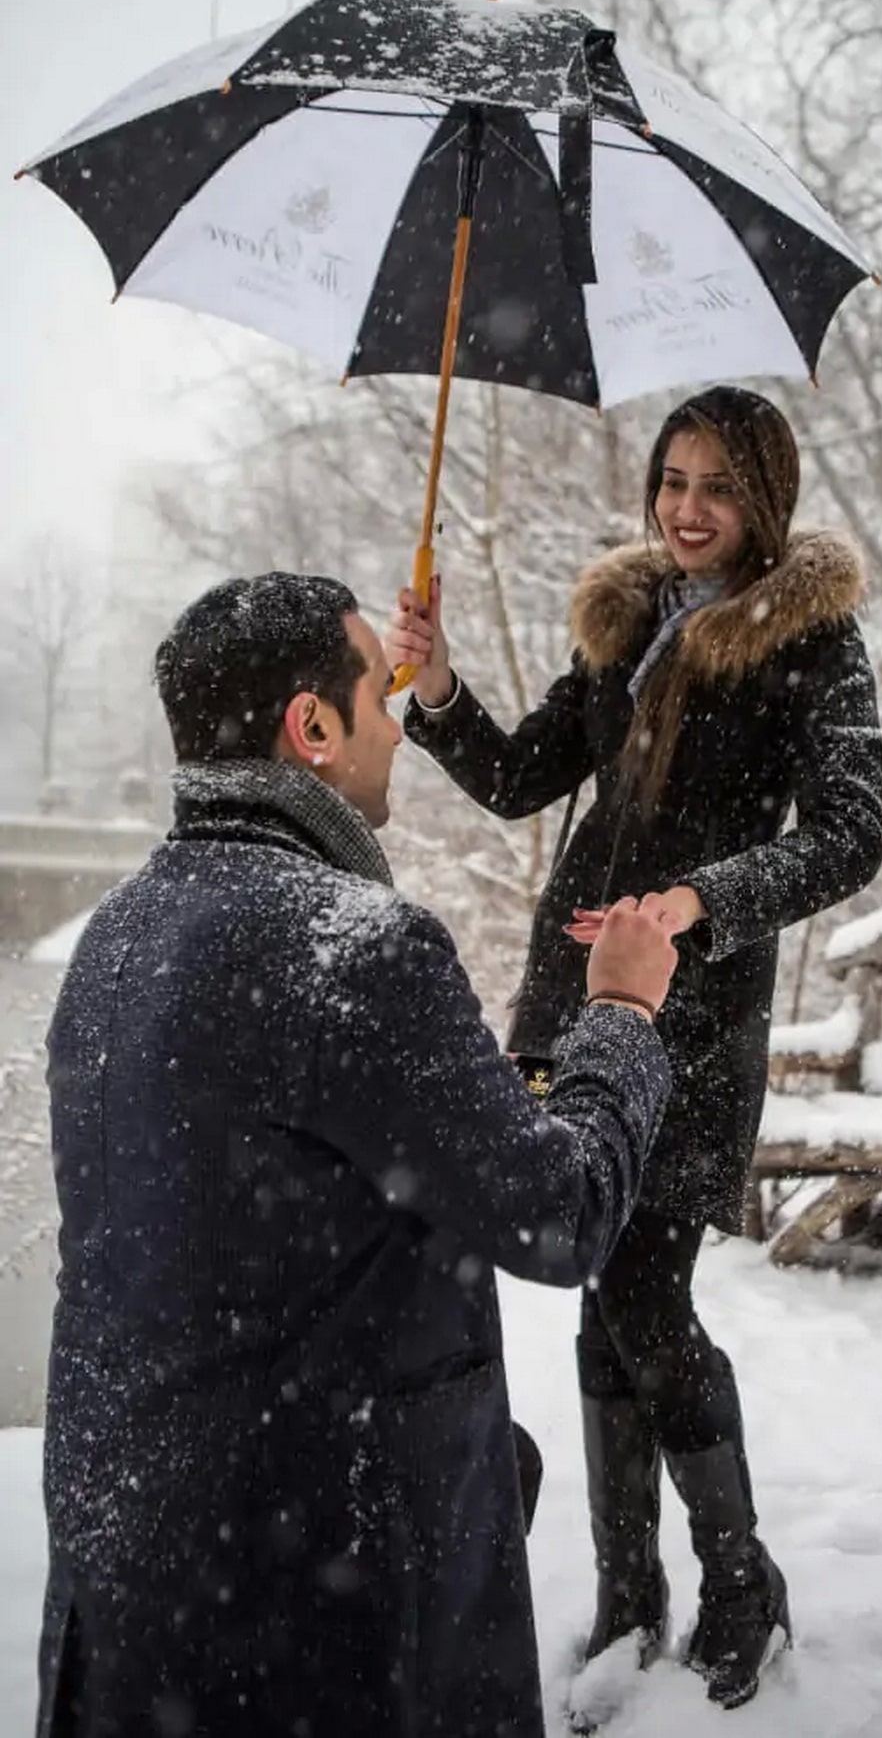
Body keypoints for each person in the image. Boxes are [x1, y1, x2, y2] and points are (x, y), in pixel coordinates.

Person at [36, 572, 682, 1738]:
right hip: (318, 1623)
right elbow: (563, 1208)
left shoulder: (114, 939)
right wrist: (622, 1017)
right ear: (314, 727)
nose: (396, 722)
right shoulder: (354, 948)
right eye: (378, 692)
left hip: (134, 1595)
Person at [389, 384, 882, 1712]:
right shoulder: (622, 626)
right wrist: (435, 687)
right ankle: (629, 1588)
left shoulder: (813, 638)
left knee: (645, 1294)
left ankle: (738, 1579)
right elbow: (514, 772)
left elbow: (850, 834)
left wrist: (698, 901)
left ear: (763, 500)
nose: (687, 507)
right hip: (576, 996)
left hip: (700, 1008)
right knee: (603, 1290)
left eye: (718, 484)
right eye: (673, 477)